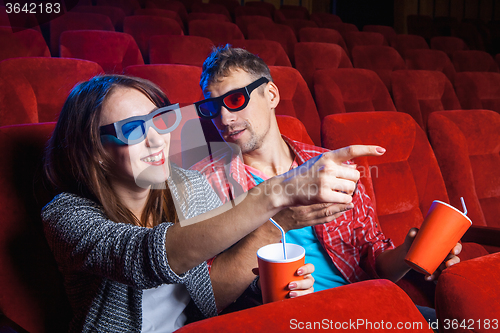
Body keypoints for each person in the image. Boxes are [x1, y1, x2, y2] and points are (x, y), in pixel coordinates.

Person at [41, 74, 381, 332]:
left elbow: (211, 294)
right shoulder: (65, 214)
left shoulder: (189, 185)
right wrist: (277, 191)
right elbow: (145, 258)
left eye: (160, 120)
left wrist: (277, 272)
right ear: (94, 151)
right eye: (132, 129)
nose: (157, 138)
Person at [191, 46, 462, 320]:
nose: (225, 118)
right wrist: (278, 224)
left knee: (455, 322)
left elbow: (373, 257)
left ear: (271, 94)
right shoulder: (204, 183)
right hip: (293, 319)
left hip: (364, 303)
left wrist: (408, 253)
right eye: (212, 107)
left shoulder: (326, 163)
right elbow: (205, 298)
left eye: (236, 99)